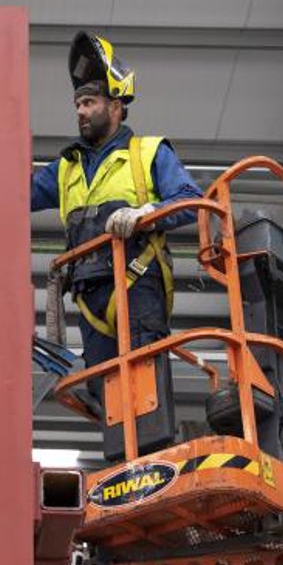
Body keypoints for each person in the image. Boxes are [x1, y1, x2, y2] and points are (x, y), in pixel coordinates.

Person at [32, 31, 203, 408]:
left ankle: (151, 445)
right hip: (89, 298)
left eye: (89, 102)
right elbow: (15, 196)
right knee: (107, 398)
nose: (80, 111)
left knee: (144, 395)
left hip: (136, 286)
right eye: (78, 104)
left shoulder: (148, 153)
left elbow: (192, 201)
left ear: (115, 105)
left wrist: (147, 214)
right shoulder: (67, 167)